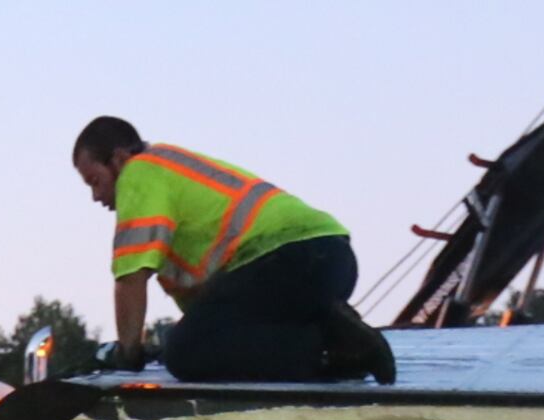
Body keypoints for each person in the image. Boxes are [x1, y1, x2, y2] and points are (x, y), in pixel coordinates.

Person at [72, 117, 395, 386]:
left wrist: (127, 355)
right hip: (327, 259)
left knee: (188, 353)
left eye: (95, 181)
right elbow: (216, 312)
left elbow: (131, 277)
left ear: (118, 160)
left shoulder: (139, 173)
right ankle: (335, 335)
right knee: (198, 340)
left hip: (290, 259)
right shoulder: (168, 168)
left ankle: (334, 347)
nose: (96, 196)